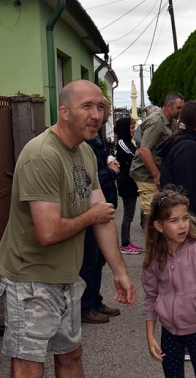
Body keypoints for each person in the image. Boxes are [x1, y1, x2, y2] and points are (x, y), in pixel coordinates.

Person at [0, 80, 135, 376]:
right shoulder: (42, 155)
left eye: (100, 107)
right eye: (87, 107)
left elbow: (103, 217)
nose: (97, 114)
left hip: (67, 277)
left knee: (71, 357)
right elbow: (48, 233)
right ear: (64, 112)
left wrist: (121, 273)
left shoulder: (83, 152)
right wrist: (91, 216)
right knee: (29, 366)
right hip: (31, 279)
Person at [142, 190, 196, 378]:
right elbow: (150, 298)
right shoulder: (153, 258)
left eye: (185, 218)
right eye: (173, 221)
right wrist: (150, 335)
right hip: (169, 332)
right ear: (159, 226)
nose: (182, 225)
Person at [81, 105, 122, 324]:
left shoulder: (97, 137)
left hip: (102, 206)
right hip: (91, 211)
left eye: (101, 107)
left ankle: (95, 301)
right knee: (89, 261)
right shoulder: (85, 141)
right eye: (93, 106)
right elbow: (88, 178)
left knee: (97, 261)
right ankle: (86, 307)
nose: (99, 113)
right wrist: (110, 172)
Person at [158, 101, 196, 241]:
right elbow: (191, 189)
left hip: (188, 219)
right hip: (192, 224)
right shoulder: (189, 148)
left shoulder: (187, 143)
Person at [131, 92, 184, 227]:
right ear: (168, 106)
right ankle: (151, 246)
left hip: (154, 173)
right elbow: (144, 150)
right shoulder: (157, 120)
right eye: (178, 108)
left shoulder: (170, 122)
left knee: (159, 213)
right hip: (146, 174)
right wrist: (156, 174)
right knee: (152, 215)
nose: (181, 111)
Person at [116, 117, 141, 254]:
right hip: (126, 182)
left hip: (131, 182)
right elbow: (133, 157)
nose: (133, 130)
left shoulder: (128, 142)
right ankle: (124, 244)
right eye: (131, 128)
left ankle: (128, 241)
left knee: (130, 214)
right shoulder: (121, 143)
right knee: (127, 214)